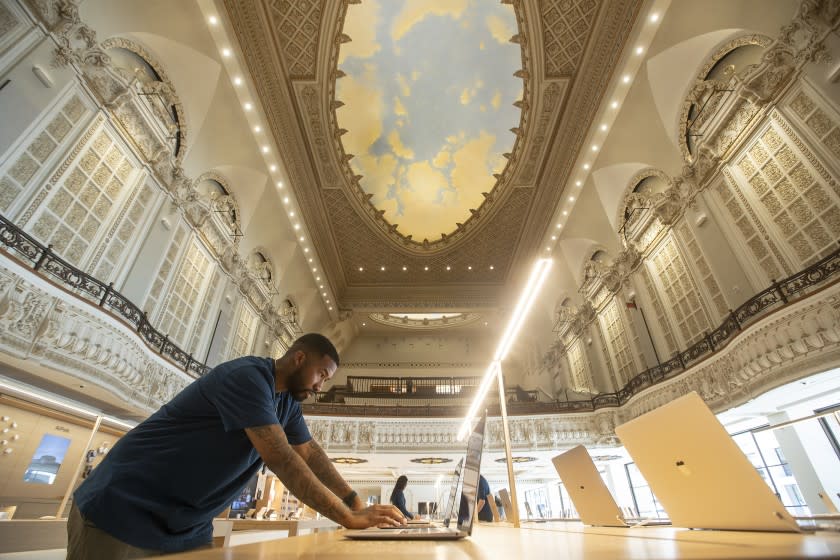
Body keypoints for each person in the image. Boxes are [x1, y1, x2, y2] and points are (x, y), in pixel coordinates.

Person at [67, 333, 405, 558]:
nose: (320, 386)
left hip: (186, 526)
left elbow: (311, 454)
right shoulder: (247, 377)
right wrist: (346, 516)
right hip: (123, 506)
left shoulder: (288, 403)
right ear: (300, 359)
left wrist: (356, 502)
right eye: (321, 375)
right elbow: (282, 458)